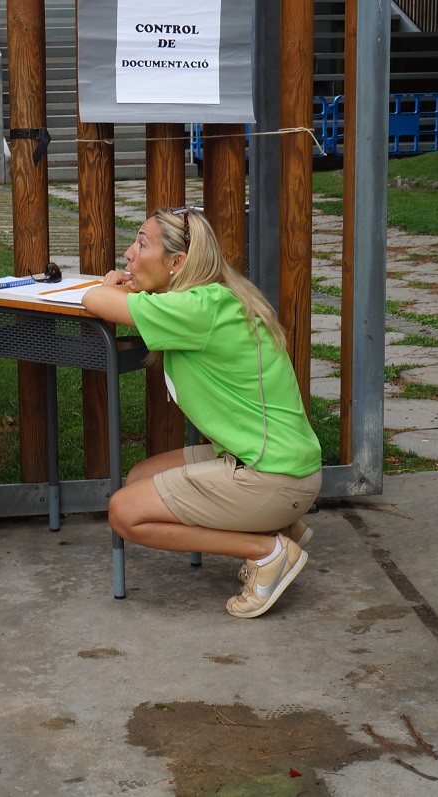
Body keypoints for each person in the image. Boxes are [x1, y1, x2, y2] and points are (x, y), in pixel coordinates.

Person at [81, 208, 324, 619]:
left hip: (272, 475)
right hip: (275, 463)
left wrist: (112, 286)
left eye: (142, 243)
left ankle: (268, 550)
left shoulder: (197, 309)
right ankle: (275, 526)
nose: (128, 254)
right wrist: (139, 290)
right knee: (141, 478)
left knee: (124, 512)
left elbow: (95, 299)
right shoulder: (206, 298)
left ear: (177, 263)